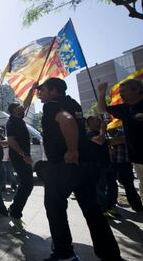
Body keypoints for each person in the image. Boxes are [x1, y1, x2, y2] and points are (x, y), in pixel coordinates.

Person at [37, 78, 122, 261]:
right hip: (86, 166)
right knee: (93, 210)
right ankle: (110, 254)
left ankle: (64, 253)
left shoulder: (51, 105)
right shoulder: (73, 103)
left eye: (42, 89)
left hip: (64, 166)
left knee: (55, 208)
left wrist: (72, 150)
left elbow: (67, 121)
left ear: (53, 91)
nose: (39, 93)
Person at [97, 79, 143, 202]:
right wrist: (102, 93)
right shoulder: (125, 108)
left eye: (124, 91)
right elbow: (101, 109)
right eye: (120, 91)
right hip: (138, 158)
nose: (121, 94)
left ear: (137, 90)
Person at [5, 83, 37, 228]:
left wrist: (32, 89)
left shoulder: (19, 120)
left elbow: (27, 102)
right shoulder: (11, 122)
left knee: (26, 184)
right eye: (19, 107)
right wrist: (24, 155)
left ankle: (14, 208)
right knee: (27, 184)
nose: (22, 108)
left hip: (23, 156)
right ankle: (15, 211)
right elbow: (11, 140)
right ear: (13, 110)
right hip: (20, 157)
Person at [86, 115, 119, 219]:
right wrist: (103, 130)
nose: (100, 121)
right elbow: (99, 140)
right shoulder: (89, 133)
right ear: (90, 122)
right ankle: (104, 209)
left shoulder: (101, 133)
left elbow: (103, 143)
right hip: (98, 166)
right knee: (100, 188)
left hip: (107, 163)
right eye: (98, 120)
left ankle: (110, 206)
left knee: (113, 186)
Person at [108, 127, 143, 211]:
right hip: (112, 162)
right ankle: (111, 205)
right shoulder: (106, 132)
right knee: (111, 185)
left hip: (124, 162)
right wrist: (112, 140)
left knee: (129, 185)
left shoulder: (124, 131)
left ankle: (137, 206)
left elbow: (124, 140)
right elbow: (107, 141)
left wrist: (114, 140)